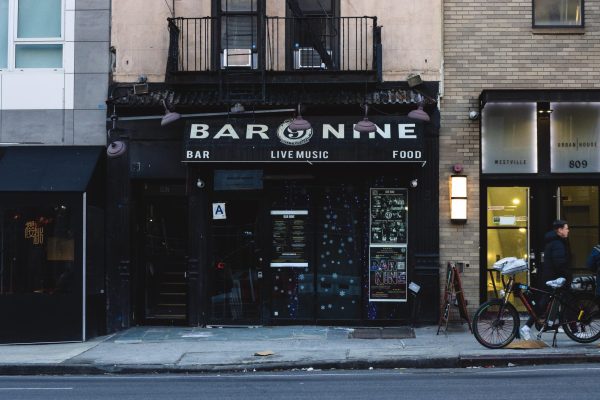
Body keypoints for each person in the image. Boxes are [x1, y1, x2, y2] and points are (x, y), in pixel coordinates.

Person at [520, 219, 572, 340]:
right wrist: (567, 275)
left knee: (550, 302)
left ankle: (551, 324)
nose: (568, 230)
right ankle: (527, 327)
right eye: (566, 228)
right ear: (560, 230)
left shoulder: (553, 241)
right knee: (552, 302)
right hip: (554, 278)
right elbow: (560, 262)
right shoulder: (558, 243)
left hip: (550, 276)